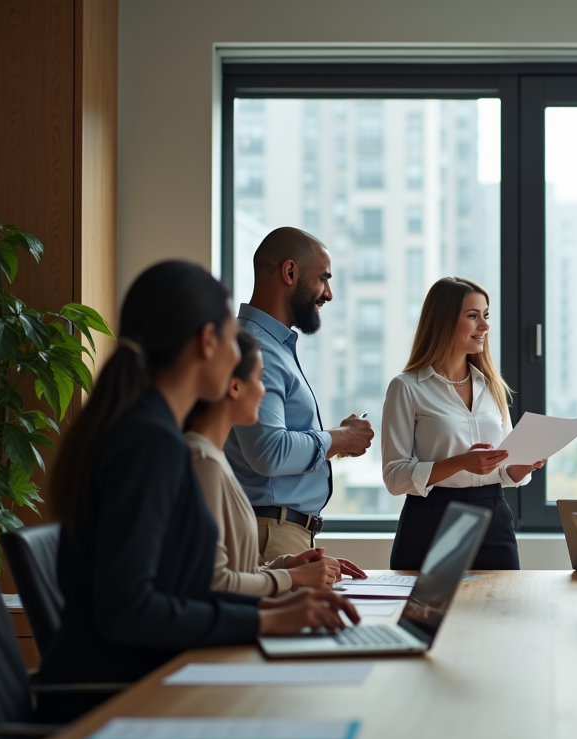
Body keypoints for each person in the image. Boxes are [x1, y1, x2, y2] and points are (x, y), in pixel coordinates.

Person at [40, 260, 358, 701]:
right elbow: (130, 610)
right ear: (208, 343)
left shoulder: (149, 431)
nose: (243, 359)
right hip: (118, 700)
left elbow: (182, 586)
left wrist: (280, 593)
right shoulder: (150, 443)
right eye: (233, 339)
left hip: (148, 679)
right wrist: (267, 619)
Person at [225, 227, 375, 562]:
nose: (329, 294)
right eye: (323, 279)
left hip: (277, 533)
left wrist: (335, 440)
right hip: (270, 533)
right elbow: (269, 452)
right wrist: (338, 439)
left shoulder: (265, 345)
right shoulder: (259, 348)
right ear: (290, 272)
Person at [185, 329, 369, 596]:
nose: (265, 393)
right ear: (234, 386)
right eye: (260, 379)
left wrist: (289, 565)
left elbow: (237, 570)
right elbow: (216, 583)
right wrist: (291, 577)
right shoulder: (204, 463)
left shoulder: (216, 463)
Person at [382, 277, 544, 570]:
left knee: (500, 611)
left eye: (486, 315)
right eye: (473, 316)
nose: (485, 326)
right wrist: (461, 462)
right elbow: (394, 478)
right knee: (431, 615)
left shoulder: (492, 386)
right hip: (433, 518)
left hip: (493, 517)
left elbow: (506, 472)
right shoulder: (406, 388)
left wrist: (526, 464)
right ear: (443, 321)